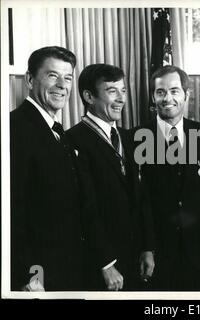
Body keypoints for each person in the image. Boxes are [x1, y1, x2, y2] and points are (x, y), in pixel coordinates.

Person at [66, 64, 155, 291]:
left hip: (135, 258)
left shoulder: (128, 137)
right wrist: (106, 263)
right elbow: (83, 208)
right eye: (112, 91)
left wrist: (147, 247)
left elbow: (142, 197)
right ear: (88, 96)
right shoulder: (72, 141)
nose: (121, 99)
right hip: (101, 264)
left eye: (123, 90)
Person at [10, 46, 88, 291]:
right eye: (52, 76)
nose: (62, 85)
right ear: (30, 80)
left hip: (67, 268)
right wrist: (30, 276)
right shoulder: (15, 128)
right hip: (38, 275)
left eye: (67, 78)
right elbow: (13, 212)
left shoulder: (57, 130)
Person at [130, 65, 200, 290]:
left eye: (175, 91)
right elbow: (138, 201)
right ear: (153, 97)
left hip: (197, 250)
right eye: (160, 92)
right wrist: (147, 247)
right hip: (154, 252)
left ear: (187, 95)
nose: (168, 98)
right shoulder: (135, 138)